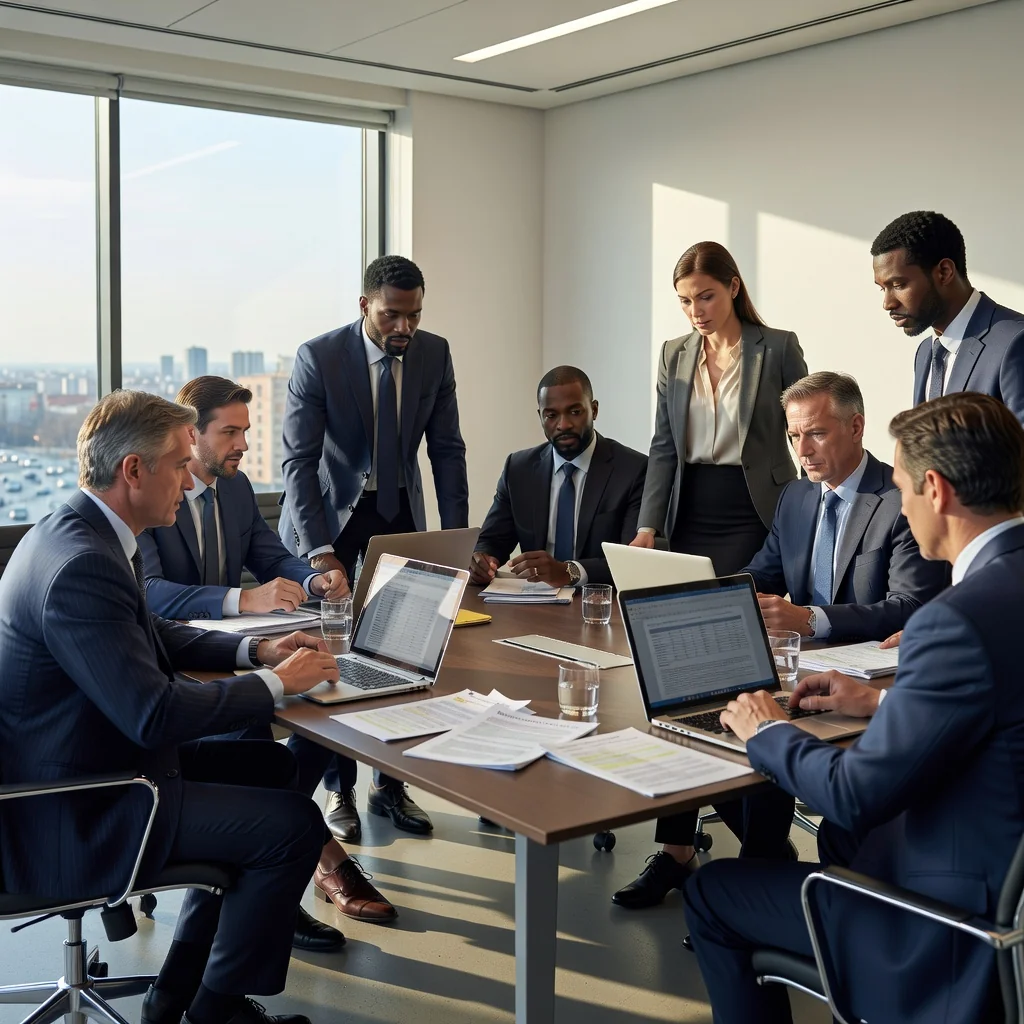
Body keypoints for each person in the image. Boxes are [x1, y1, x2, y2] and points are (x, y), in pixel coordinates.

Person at [0, 390, 344, 1024]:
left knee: (273, 772)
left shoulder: (75, 533)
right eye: (180, 465)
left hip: (92, 764)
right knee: (291, 826)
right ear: (134, 471)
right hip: (79, 806)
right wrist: (279, 687)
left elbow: (153, 634)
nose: (189, 483)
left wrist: (260, 653)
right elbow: (152, 715)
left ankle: (175, 995)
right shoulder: (82, 564)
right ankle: (214, 1010)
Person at [685, 392, 1024, 1024]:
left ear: (936, 490)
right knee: (844, 839)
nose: (898, 501)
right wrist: (881, 701)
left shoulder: (953, 621)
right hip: (1002, 867)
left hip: (949, 927)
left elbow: (852, 793)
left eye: (900, 487)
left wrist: (771, 731)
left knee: (711, 893)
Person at [138, 376, 397, 932]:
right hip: (178, 662)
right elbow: (151, 593)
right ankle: (315, 868)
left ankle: (296, 858)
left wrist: (315, 576)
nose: (242, 445)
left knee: (319, 708)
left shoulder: (234, 487)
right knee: (251, 732)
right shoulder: (156, 492)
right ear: (191, 434)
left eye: (245, 431)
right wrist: (242, 598)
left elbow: (267, 549)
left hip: (234, 650)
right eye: (229, 432)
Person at [614, 241, 807, 910]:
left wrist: (812, 521)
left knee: (750, 674)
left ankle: (761, 847)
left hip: (755, 516)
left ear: (732, 288)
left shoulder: (775, 347)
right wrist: (648, 524)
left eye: (706, 296)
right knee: (678, 684)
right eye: (686, 300)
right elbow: (663, 445)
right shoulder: (673, 355)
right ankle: (676, 849)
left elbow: (800, 435)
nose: (696, 310)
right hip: (690, 514)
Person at [280, 255, 469, 842]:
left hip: (400, 512)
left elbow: (447, 451)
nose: (403, 329)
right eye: (392, 315)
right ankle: (339, 790)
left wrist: (456, 542)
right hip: (334, 517)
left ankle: (392, 784)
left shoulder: (433, 353)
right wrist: (319, 551)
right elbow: (299, 464)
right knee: (335, 657)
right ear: (365, 305)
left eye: (413, 315)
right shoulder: (320, 357)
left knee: (407, 652)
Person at [746, 371, 946, 641]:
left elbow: (909, 606)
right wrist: (718, 593)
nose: (802, 450)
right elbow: (764, 575)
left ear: (855, 428)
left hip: (872, 665)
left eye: (816, 433)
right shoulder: (794, 496)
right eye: (794, 436)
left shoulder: (903, 500)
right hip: (803, 659)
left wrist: (811, 620)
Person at [470, 366, 647, 589]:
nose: (563, 425)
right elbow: (493, 540)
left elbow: (632, 559)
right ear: (541, 416)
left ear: (594, 410)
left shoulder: (633, 469)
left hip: (600, 602)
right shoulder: (518, 468)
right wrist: (483, 560)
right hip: (535, 601)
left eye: (575, 412)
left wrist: (569, 571)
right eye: (551, 415)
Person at [871, 210, 1024, 422]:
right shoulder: (926, 352)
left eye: (898, 285)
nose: (888, 303)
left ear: (944, 272)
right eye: (882, 288)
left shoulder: (1015, 342)